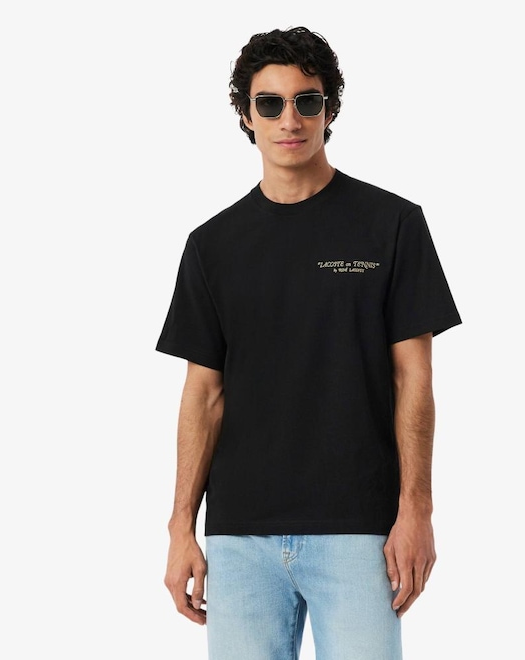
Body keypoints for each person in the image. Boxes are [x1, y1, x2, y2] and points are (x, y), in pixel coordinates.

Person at [156, 26, 461, 660]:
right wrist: (181, 526)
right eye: (269, 103)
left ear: (330, 109)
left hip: (359, 531)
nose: (289, 119)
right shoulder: (212, 246)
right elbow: (203, 395)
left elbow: (414, 377)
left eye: (307, 101)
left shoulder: (392, 225)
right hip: (240, 539)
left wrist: (417, 510)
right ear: (247, 115)